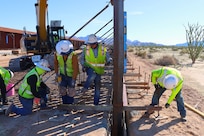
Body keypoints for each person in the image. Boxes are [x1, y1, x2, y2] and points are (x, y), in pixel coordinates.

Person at [80, 34, 112, 105]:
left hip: (99, 70)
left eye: (92, 44)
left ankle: (96, 104)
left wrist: (109, 61)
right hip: (89, 68)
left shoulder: (103, 49)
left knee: (97, 87)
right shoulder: (86, 49)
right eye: (90, 44)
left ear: (96, 43)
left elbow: (108, 57)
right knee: (92, 74)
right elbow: (81, 59)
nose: (91, 46)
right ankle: (85, 87)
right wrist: (83, 65)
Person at [54, 40, 79, 104]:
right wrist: (56, 74)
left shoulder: (73, 55)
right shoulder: (57, 54)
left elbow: (75, 68)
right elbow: (55, 64)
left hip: (71, 76)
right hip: (62, 75)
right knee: (62, 90)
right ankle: (65, 103)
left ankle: (70, 104)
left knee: (71, 91)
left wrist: (74, 79)